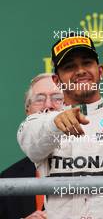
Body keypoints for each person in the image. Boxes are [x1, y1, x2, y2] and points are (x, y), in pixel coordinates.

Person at [17, 34, 103, 219]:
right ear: (57, 81)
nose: (80, 71)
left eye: (87, 63)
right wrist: (54, 124)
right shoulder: (43, 123)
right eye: (69, 67)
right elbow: (30, 141)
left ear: (100, 71)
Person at [0, 73, 64, 219]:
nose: (48, 105)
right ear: (27, 111)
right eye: (39, 99)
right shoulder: (8, 179)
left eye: (57, 99)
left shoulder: (95, 166)